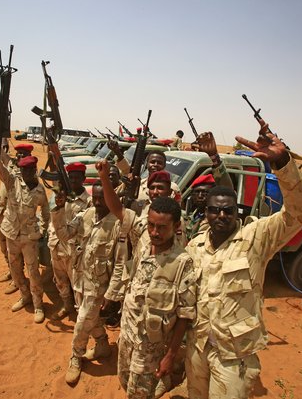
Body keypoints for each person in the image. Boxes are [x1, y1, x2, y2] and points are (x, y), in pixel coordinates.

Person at [184, 119, 302, 399]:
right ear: (205, 212)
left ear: (236, 212)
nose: (221, 216)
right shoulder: (195, 246)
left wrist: (283, 166)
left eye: (228, 211)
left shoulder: (256, 238)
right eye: (214, 211)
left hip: (234, 358)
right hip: (197, 350)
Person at [97, 163, 196, 399]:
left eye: (162, 227)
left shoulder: (182, 262)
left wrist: (170, 355)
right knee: (124, 381)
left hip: (151, 347)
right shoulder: (141, 231)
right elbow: (118, 209)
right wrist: (104, 178)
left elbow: (185, 314)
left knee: (139, 394)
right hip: (127, 335)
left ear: (176, 227)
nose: (154, 232)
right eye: (151, 225)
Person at [51, 182, 126, 386]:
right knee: (92, 320)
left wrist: (112, 294)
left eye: (103, 198)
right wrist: (58, 210)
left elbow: (120, 263)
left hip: (99, 286)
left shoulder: (118, 224)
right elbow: (65, 234)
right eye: (96, 198)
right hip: (79, 279)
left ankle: (76, 355)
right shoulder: (86, 215)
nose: (99, 202)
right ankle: (102, 344)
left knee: (82, 322)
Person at [0, 137, 49, 322]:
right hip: (11, 234)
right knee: (15, 269)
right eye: (23, 169)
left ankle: (38, 305)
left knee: (33, 272)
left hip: (29, 238)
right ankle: (25, 296)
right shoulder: (11, 181)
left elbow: (46, 215)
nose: (25, 173)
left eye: (29, 170)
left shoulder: (40, 191)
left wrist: (41, 232)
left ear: (34, 170)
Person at [47, 162, 92, 319]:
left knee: (77, 284)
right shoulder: (59, 195)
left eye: (76, 178)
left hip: (73, 250)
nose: (73, 181)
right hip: (56, 244)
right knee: (60, 280)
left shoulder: (88, 202)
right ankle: (66, 306)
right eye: (70, 177)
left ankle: (80, 313)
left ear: (83, 179)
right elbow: (50, 215)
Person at [182, 132, 234, 241]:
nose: (200, 196)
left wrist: (214, 157)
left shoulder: (218, 219)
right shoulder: (194, 216)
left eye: (205, 193)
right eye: (197, 192)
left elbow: (227, 191)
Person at [108, 142, 181, 203]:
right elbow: (127, 170)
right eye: (152, 162)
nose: (155, 165)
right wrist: (117, 152)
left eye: (159, 163)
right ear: (147, 164)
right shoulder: (139, 184)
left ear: (164, 165)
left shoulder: (173, 187)